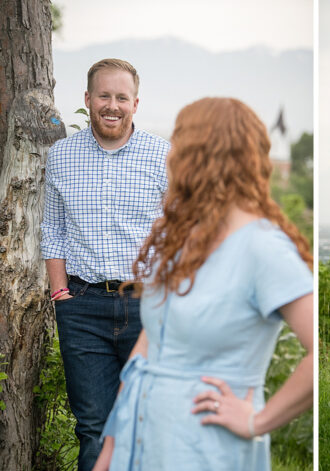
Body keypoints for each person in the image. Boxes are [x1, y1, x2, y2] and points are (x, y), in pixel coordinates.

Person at [91, 97, 314, 470]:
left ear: (200, 156)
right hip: (142, 442)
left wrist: (256, 421)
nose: (169, 156)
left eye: (179, 144)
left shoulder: (263, 247)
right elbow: (150, 343)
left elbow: (318, 355)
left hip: (207, 451)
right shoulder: (182, 239)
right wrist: (111, 450)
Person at [41, 58, 169, 470]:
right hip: (82, 309)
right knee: (94, 428)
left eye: (121, 97)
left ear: (135, 103)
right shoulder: (61, 156)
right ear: (87, 99)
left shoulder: (164, 156)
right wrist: (61, 294)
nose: (112, 105)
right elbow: (53, 229)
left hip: (147, 308)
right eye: (104, 96)